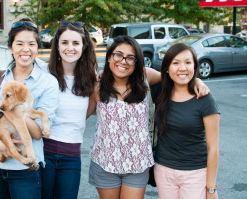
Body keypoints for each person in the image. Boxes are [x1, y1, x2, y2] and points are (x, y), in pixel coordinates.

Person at [86, 36, 210, 199]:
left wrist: (196, 81)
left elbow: (172, 77)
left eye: (130, 58)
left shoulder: (145, 77)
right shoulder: (98, 86)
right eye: (118, 55)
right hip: (104, 163)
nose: (123, 61)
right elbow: (81, 117)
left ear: (136, 62)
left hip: (138, 165)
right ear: (109, 57)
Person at [0, 18, 59, 199]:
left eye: (31, 44)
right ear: (11, 48)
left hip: (25, 170)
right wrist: (2, 147)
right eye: (19, 43)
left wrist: (5, 109)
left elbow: (36, 132)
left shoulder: (48, 83)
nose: (25, 49)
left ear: (37, 48)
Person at [154, 43, 220, 199]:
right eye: (176, 63)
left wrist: (211, 188)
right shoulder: (160, 91)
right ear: (167, 68)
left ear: (195, 66)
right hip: (164, 171)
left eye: (188, 62)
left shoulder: (205, 99)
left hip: (195, 174)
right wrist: (104, 72)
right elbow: (138, 73)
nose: (182, 68)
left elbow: (213, 149)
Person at [40, 21, 97, 199]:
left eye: (75, 43)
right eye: (64, 43)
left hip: (72, 156)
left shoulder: (91, 78)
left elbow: (86, 112)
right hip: (43, 152)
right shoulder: (43, 73)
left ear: (84, 46)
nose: (69, 48)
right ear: (57, 46)